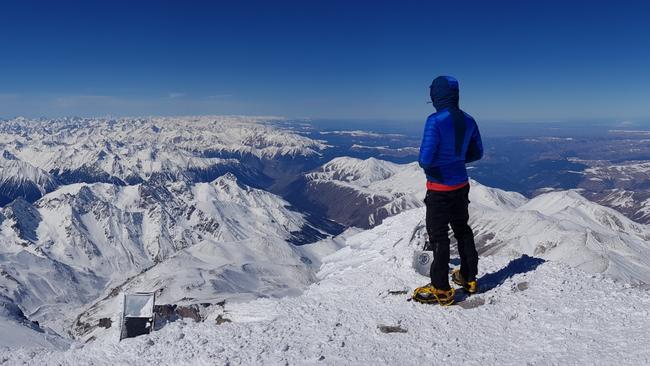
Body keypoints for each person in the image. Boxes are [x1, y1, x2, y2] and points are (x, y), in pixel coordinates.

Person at [412, 76, 483, 306]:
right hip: (461, 185)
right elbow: (476, 153)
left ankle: (441, 288)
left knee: (439, 237)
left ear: (436, 95)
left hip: (439, 188)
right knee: (463, 230)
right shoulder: (469, 120)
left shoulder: (434, 121)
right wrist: (457, 160)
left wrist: (440, 165)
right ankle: (469, 278)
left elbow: (425, 159)